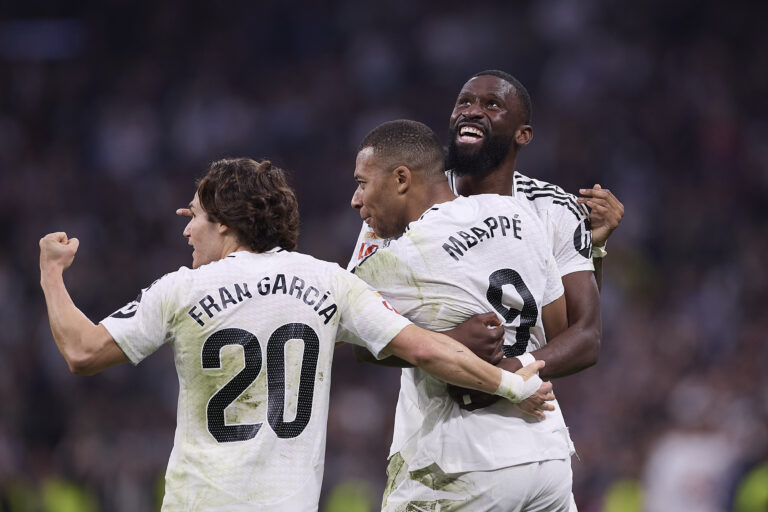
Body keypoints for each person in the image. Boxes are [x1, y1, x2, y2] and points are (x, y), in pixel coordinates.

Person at [38, 158, 547, 512]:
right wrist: (510, 385)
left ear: (224, 221)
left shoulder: (182, 289)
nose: (186, 230)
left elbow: (82, 351)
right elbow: (429, 349)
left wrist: (51, 273)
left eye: (193, 216)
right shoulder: (328, 281)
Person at [348, 69, 624, 405]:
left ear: (523, 134)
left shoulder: (552, 210)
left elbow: (582, 337)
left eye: (492, 105)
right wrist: (450, 343)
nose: (472, 111)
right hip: (432, 428)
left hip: (523, 426)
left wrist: (505, 376)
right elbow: (362, 337)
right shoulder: (399, 202)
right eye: (463, 101)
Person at [350, 119, 576, 510]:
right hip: (547, 454)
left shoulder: (403, 256)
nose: (356, 200)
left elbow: (357, 338)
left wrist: (451, 345)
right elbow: (561, 329)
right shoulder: (519, 215)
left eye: (362, 183)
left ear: (401, 179)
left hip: (464, 462)